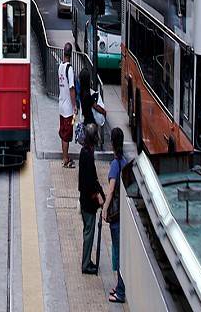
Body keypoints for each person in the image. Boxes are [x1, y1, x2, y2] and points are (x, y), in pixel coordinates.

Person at [101, 127, 128, 304]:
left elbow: (110, 191)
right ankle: (119, 285)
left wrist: (104, 208)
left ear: (112, 143)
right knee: (119, 250)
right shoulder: (124, 162)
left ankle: (120, 290)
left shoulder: (115, 165)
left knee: (117, 252)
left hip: (116, 215)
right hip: (122, 213)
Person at [78, 122, 103, 275]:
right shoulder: (87, 156)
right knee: (89, 233)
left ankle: (87, 261)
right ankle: (86, 264)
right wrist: (97, 196)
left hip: (85, 200)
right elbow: (88, 181)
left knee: (88, 231)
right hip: (88, 203)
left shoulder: (84, 152)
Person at [57, 43, 77, 168]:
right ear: (71, 53)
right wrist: (74, 106)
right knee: (67, 134)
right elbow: (72, 89)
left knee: (63, 132)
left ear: (64, 52)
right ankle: (65, 159)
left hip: (61, 105)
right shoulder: (69, 69)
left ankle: (65, 156)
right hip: (68, 108)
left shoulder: (60, 67)